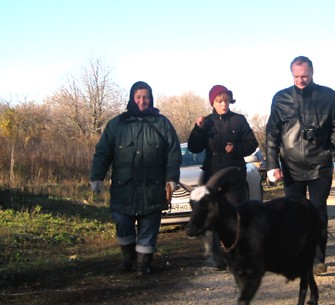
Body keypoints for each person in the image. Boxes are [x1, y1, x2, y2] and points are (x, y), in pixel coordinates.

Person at [90, 81, 181, 275]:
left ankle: (143, 265)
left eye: (146, 97)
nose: (142, 101)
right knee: (123, 222)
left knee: (149, 226)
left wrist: (171, 178)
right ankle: (128, 258)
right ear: (132, 98)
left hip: (153, 188)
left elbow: (173, 152)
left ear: (151, 98)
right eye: (138, 97)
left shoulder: (162, 123)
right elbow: (103, 152)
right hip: (124, 188)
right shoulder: (116, 124)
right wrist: (97, 177)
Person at [265, 56, 335, 275]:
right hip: (291, 167)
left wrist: (330, 151)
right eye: (297, 76)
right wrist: (272, 164)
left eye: (305, 76)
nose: (301, 80)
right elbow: (272, 133)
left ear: (312, 72)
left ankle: (318, 259)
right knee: (293, 214)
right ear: (291, 74)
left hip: (321, 165)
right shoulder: (280, 99)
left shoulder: (329, 96)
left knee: (317, 211)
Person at [187, 85, 258, 270]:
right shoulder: (206, 122)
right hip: (212, 176)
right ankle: (219, 257)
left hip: (235, 176)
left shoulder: (239, 120)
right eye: (219, 101)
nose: (224, 104)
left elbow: (252, 144)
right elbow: (194, 147)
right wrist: (198, 129)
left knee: (236, 215)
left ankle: (239, 254)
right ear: (213, 102)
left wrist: (236, 148)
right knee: (215, 216)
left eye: (226, 100)